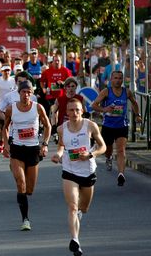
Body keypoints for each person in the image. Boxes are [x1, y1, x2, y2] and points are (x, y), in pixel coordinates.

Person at [51, 98, 106, 256]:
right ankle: (75, 240)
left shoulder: (90, 125)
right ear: (66, 113)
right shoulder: (62, 129)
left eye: (77, 110)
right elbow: (61, 145)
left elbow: (103, 146)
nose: (74, 113)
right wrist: (58, 154)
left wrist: (90, 154)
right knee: (72, 207)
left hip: (88, 171)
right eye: (71, 110)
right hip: (70, 171)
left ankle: (78, 216)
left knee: (84, 208)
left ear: (82, 111)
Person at [2, 80, 51, 231]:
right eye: (24, 92)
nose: (26, 95)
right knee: (21, 184)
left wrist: (45, 144)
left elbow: (48, 126)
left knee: (29, 190)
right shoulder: (11, 109)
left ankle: (18, 172)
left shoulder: (38, 108)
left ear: (32, 93)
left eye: (29, 92)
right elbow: (5, 127)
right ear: (19, 93)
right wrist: (6, 144)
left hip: (33, 149)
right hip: (17, 149)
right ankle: (25, 219)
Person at [91, 71, 142, 186]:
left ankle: (121, 174)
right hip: (108, 126)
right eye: (115, 78)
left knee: (121, 150)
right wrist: (104, 109)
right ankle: (108, 158)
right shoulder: (106, 92)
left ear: (123, 80)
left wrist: (137, 115)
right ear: (111, 79)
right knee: (108, 150)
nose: (118, 80)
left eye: (120, 78)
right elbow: (94, 105)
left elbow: (135, 103)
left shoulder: (127, 92)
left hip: (122, 125)